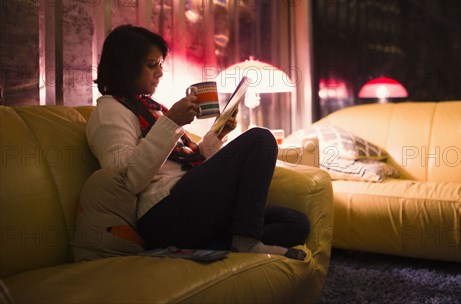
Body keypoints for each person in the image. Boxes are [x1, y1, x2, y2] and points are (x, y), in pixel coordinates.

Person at [84, 24, 309, 260]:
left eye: (161, 65)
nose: (160, 73)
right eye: (152, 65)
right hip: (160, 215)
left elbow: (189, 161)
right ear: (126, 66)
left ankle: (211, 245)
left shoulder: (150, 108)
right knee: (260, 138)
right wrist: (171, 123)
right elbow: (126, 180)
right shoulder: (110, 110)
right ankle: (246, 242)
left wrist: (217, 134)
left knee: (295, 224)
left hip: (190, 203)